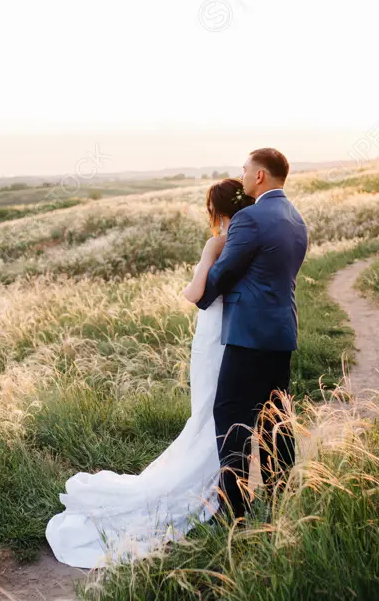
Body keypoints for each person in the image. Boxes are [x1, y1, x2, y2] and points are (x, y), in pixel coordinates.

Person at [45, 177, 254, 568]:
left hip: (212, 335)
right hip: (231, 332)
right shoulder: (248, 242)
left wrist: (200, 269)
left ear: (217, 210)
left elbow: (194, 294)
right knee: (215, 409)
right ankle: (222, 483)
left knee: (208, 409)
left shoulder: (219, 242)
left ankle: (206, 483)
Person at [195, 148, 308, 522]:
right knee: (276, 416)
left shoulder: (252, 219)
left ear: (260, 175)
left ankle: (235, 509)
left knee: (231, 415)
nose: (242, 176)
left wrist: (201, 293)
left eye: (246, 170)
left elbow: (225, 271)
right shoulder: (295, 217)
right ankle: (280, 499)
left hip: (249, 336)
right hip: (281, 332)